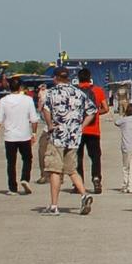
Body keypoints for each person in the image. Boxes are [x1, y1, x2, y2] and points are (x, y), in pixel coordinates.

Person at [37, 66, 94, 216]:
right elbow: (92, 111)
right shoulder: (78, 93)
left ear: (55, 78)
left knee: (55, 169)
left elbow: (46, 110)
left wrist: (49, 125)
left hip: (58, 136)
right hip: (74, 137)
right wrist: (81, 127)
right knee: (72, 169)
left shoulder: (52, 93)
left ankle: (54, 205)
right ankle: (84, 194)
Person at [0, 76, 39, 194]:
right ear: (21, 87)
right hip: (24, 135)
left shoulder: (4, 101)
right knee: (27, 158)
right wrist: (34, 133)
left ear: (8, 87)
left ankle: (12, 187)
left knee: (11, 162)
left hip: (10, 137)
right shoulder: (27, 100)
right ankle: (25, 178)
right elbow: (34, 119)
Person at [74, 69, 109, 195]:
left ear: (78, 78)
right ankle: (96, 178)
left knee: (78, 156)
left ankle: (78, 182)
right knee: (95, 156)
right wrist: (95, 113)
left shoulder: (75, 91)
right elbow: (106, 108)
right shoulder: (98, 90)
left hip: (78, 129)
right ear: (90, 78)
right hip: (93, 130)